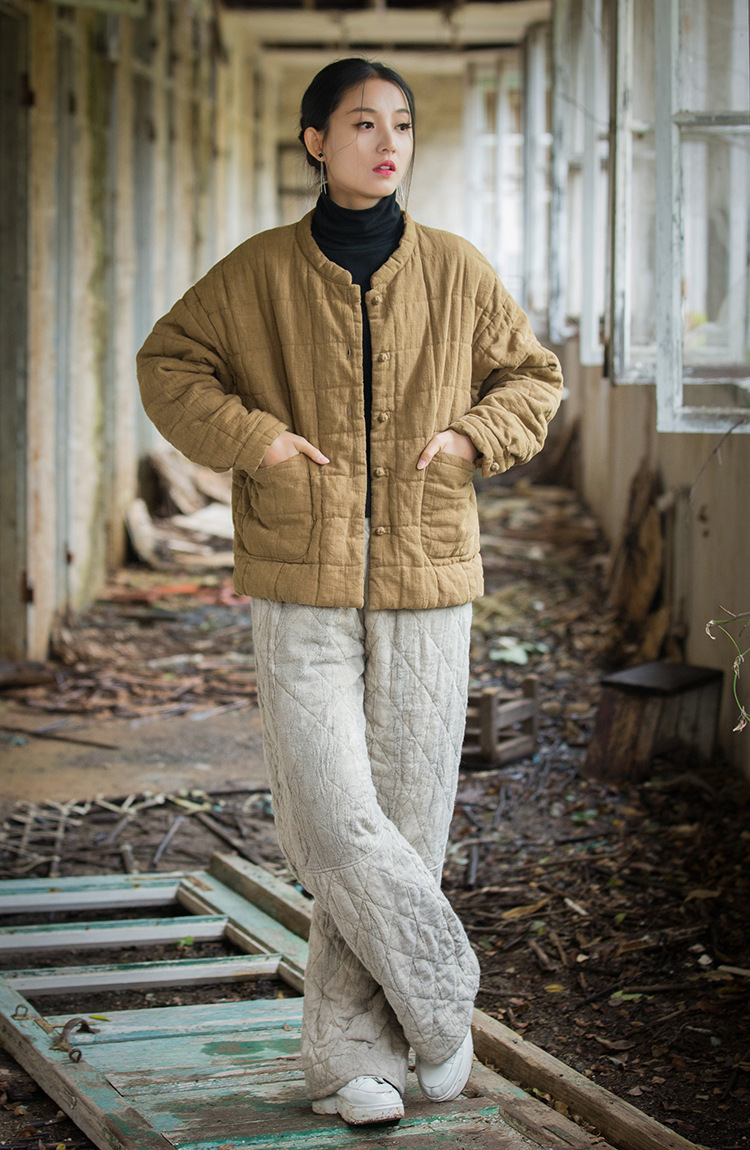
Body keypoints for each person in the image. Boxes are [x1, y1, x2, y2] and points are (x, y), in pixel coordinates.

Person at [137, 57, 563, 1128]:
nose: (387, 142)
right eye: (363, 123)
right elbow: (168, 363)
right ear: (315, 141)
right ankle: (443, 1003)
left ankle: (351, 1062)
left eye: (402, 125)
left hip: (428, 575)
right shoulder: (260, 272)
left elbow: (533, 377)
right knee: (327, 816)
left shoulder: (456, 269)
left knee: (407, 823)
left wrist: (471, 436)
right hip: (300, 570)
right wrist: (258, 440)